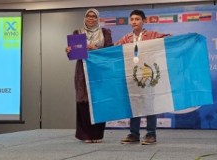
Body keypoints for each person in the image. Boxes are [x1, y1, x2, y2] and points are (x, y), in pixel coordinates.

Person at [115, 9, 170, 145]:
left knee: (149, 104)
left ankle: (151, 134)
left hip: (148, 74)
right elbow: (112, 50)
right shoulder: (126, 38)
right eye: (132, 19)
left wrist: (188, 38)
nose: (134, 22)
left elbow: (168, 39)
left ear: (144, 21)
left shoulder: (152, 35)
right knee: (134, 104)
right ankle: (134, 134)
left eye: (137, 19)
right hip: (132, 76)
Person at [65, 8, 113, 143]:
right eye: (88, 16)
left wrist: (96, 49)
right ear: (85, 18)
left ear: (98, 19)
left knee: (99, 102)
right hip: (82, 71)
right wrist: (68, 51)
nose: (91, 19)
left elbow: (110, 50)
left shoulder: (105, 32)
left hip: (99, 71)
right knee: (83, 102)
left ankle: (97, 134)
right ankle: (85, 135)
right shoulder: (77, 32)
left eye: (94, 17)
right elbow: (73, 54)